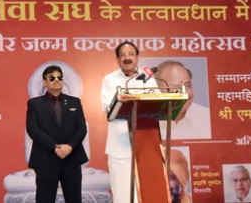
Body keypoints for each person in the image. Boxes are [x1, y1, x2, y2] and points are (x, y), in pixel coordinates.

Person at [100, 41, 158, 203]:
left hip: (146, 143)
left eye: (131, 54)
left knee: (148, 193)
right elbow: (107, 107)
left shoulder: (148, 77)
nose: (127, 58)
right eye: (123, 55)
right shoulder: (110, 79)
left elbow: (158, 100)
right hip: (120, 145)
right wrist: (127, 99)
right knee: (122, 194)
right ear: (118, 59)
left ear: (137, 57)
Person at [26, 65, 89, 203]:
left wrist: (70, 147)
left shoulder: (74, 102)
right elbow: (33, 129)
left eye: (60, 77)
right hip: (46, 159)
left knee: (74, 199)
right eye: (52, 77)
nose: (57, 80)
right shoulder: (35, 104)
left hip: (71, 158)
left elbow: (82, 128)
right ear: (44, 82)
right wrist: (55, 147)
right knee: (45, 199)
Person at [155, 60, 211, 140]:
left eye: (187, 85)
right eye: (175, 87)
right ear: (158, 90)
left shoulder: (207, 118)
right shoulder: (145, 120)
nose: (184, 93)